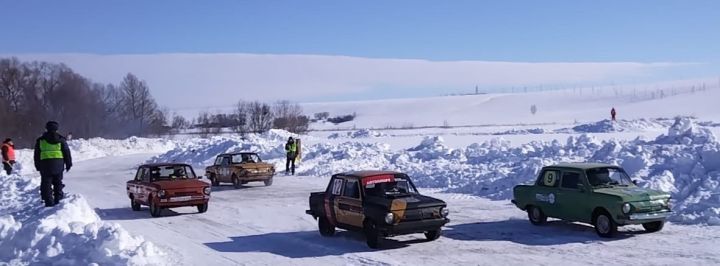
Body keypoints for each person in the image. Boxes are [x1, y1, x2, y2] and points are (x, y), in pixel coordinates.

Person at [34, 121, 73, 207]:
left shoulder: (41, 140)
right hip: (58, 164)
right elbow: (66, 152)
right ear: (57, 129)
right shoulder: (61, 139)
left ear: (46, 128)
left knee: (46, 183)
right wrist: (68, 163)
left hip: (45, 164)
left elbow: (36, 154)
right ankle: (58, 199)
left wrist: (37, 165)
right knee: (58, 182)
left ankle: (48, 202)